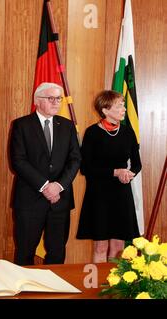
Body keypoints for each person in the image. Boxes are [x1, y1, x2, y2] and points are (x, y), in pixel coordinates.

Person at [10, 82, 81, 265]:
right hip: (29, 200)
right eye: (51, 98)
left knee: (57, 253)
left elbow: (75, 159)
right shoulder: (21, 125)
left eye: (59, 98)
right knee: (25, 253)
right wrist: (44, 186)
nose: (57, 102)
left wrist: (58, 186)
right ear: (38, 101)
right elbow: (18, 161)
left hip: (60, 201)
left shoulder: (67, 126)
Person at [76, 90, 141, 263]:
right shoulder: (92, 133)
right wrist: (115, 172)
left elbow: (137, 163)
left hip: (122, 194)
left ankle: (114, 288)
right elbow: (85, 168)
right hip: (99, 195)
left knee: (119, 247)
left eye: (123, 105)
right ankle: (98, 287)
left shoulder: (128, 132)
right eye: (119, 105)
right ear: (105, 110)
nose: (124, 109)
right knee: (101, 247)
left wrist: (129, 173)